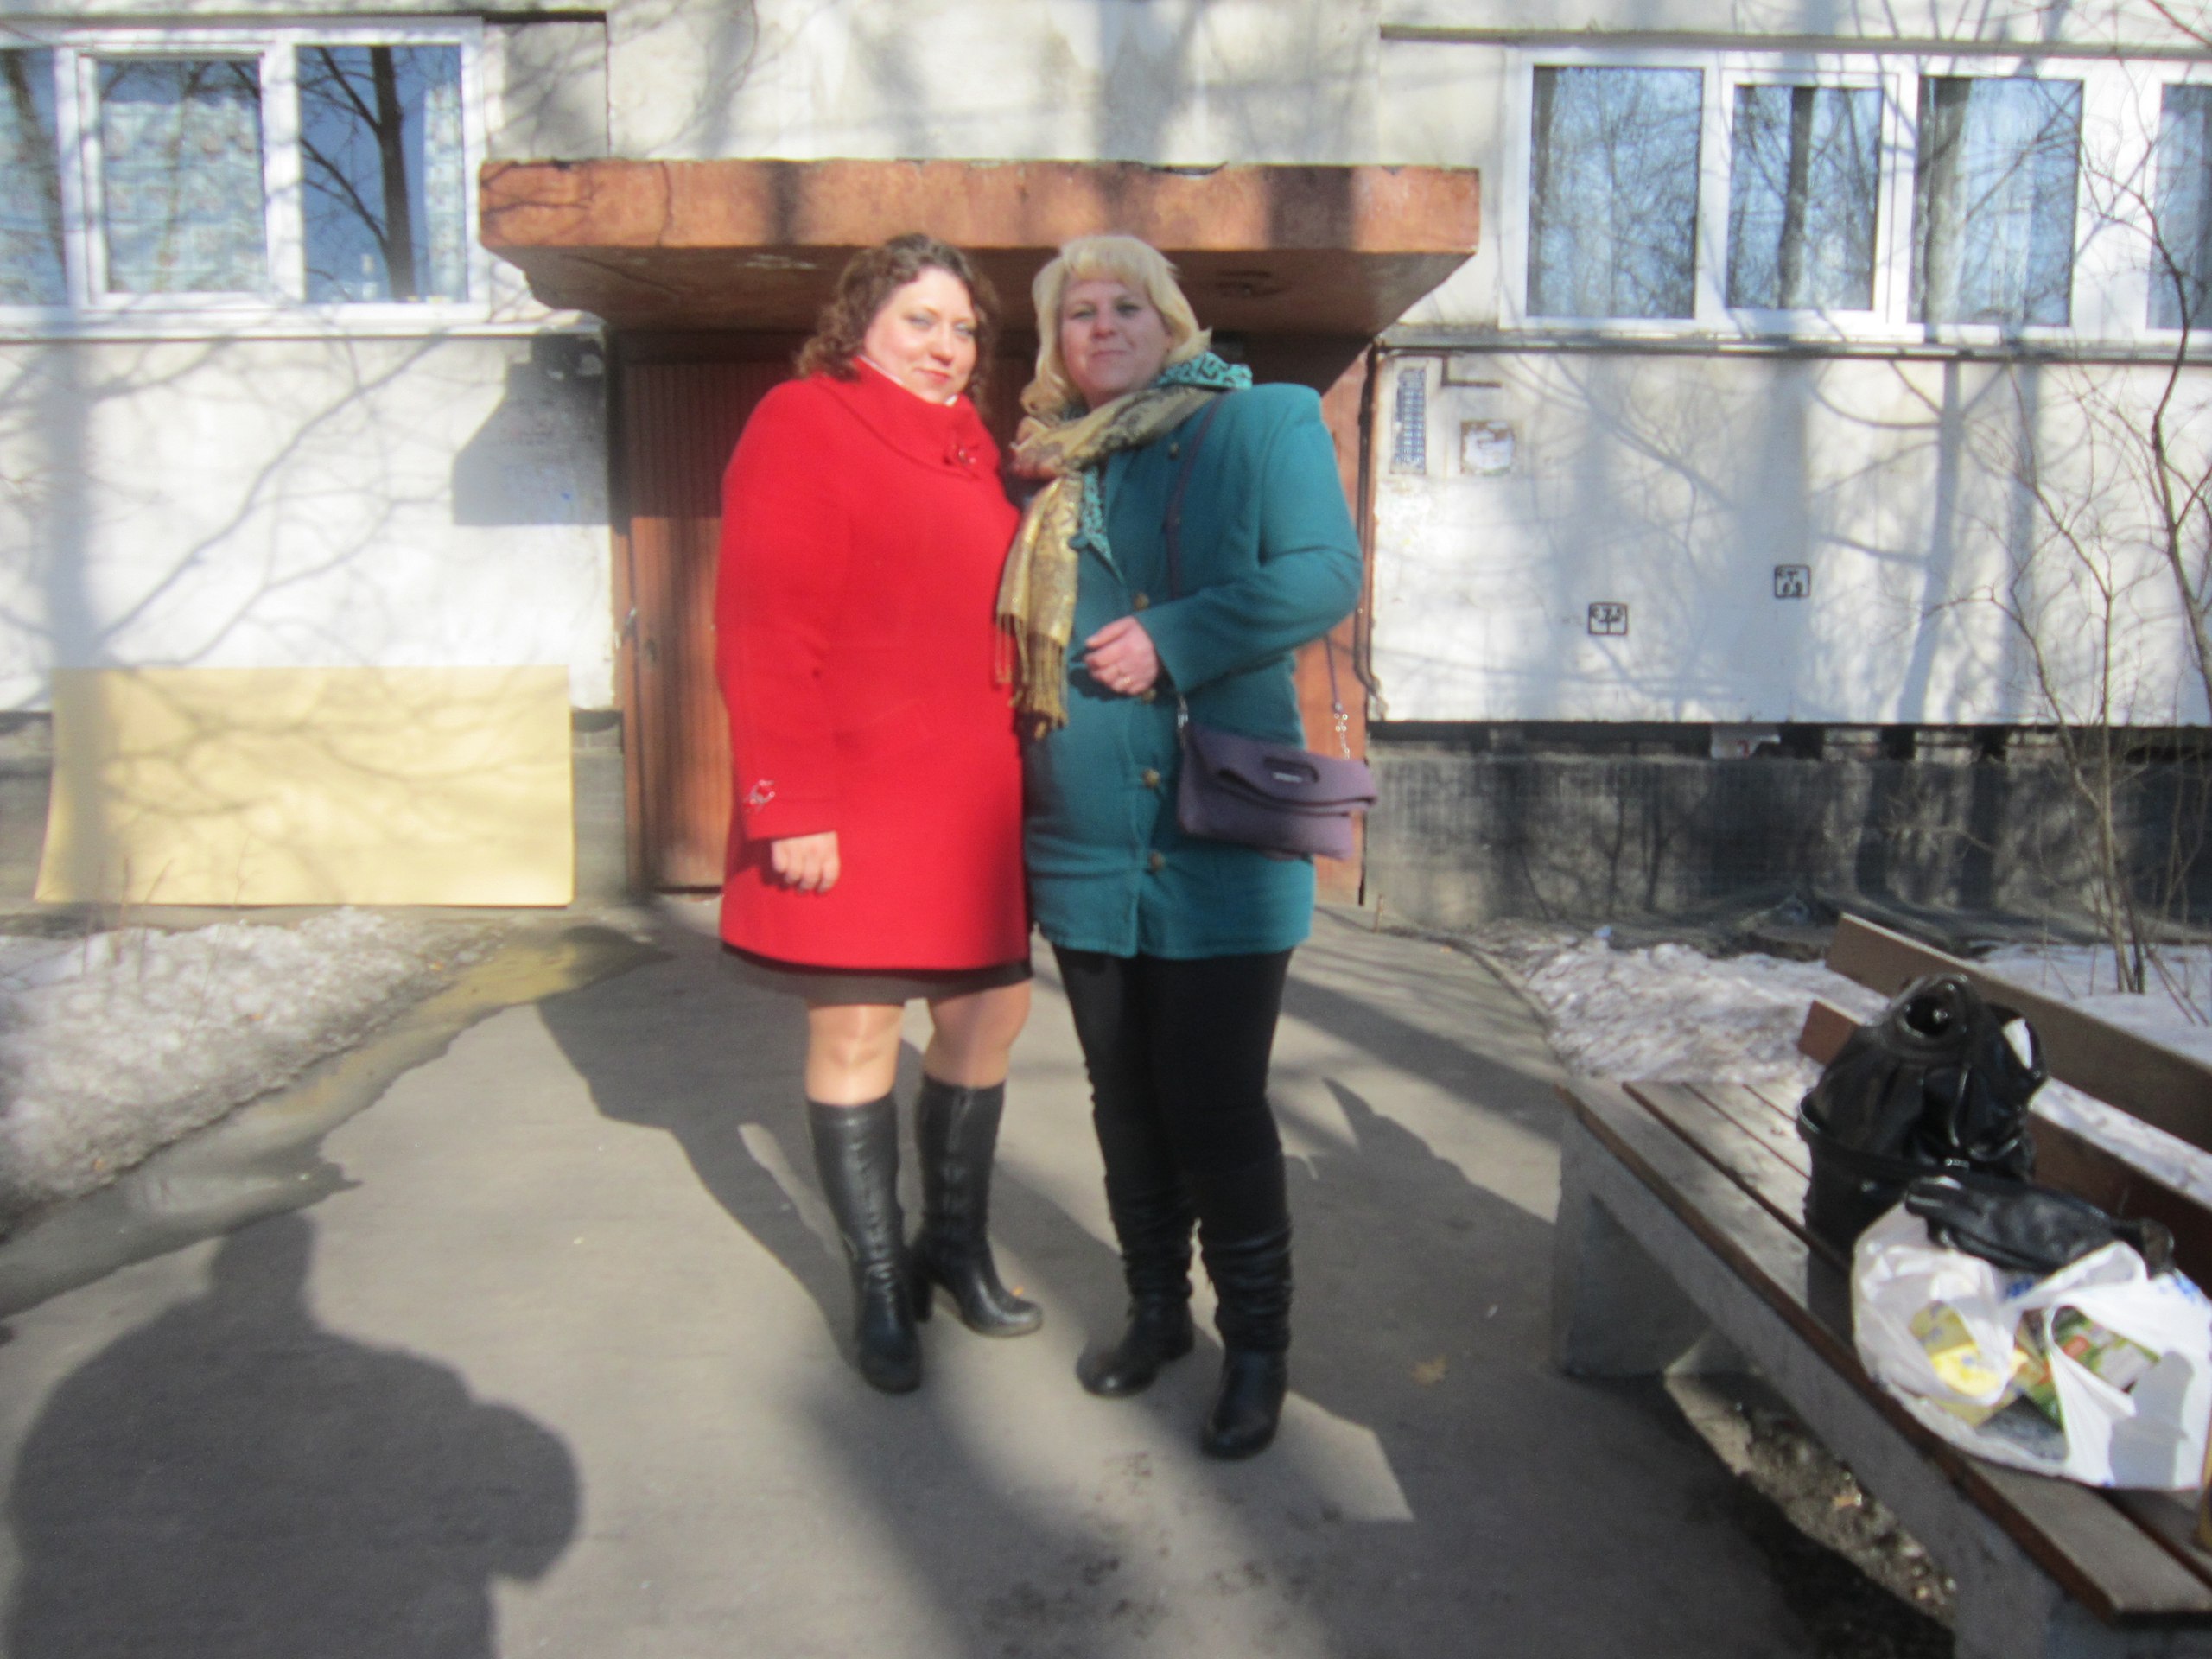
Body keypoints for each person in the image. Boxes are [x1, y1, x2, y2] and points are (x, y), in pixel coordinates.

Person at [999, 235, 1362, 1457]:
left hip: (1219, 835)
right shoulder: (1053, 465)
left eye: (1126, 304)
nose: (1102, 325)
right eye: (1077, 312)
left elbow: (1324, 574)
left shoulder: (1262, 422)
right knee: (1125, 1100)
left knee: (1215, 1102)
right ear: (1055, 342)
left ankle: (1257, 1347)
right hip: (1088, 836)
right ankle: (1157, 1310)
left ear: (1172, 321)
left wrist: (1178, 635)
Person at [716, 233, 1037, 1395]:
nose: (947, 347)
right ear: (861, 323)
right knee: (857, 1031)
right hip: (853, 795)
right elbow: (764, 625)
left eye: (965, 329)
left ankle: (953, 1247)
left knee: (990, 1016)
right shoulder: (805, 420)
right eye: (921, 321)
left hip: (973, 805)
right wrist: (789, 802)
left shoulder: (979, 456)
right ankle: (881, 1281)